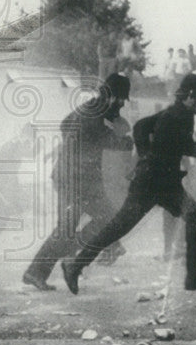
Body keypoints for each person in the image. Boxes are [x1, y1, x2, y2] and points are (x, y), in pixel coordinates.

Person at [61, 73, 196, 294]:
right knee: (120, 227)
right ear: (191, 95)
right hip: (152, 183)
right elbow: (188, 147)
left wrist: (145, 153)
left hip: (162, 183)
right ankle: (75, 265)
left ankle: (193, 277)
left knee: (195, 219)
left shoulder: (177, 112)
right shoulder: (177, 116)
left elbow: (141, 126)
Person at [22, 73, 135, 291]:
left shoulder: (97, 109)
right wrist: (124, 140)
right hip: (71, 180)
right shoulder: (93, 112)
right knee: (67, 229)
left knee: (109, 219)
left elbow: (67, 125)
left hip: (85, 180)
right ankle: (37, 271)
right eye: (120, 98)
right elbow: (93, 135)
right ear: (111, 96)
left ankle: (62, 260)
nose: (122, 103)